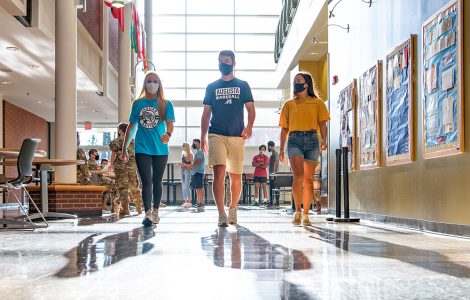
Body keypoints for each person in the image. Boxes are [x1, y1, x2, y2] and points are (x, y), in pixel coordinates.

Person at [201, 50, 256, 227]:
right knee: (218, 174)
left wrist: (249, 127)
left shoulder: (243, 85)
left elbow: (251, 109)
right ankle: (221, 213)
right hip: (216, 134)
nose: (222, 63)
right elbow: (206, 113)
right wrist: (203, 137)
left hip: (236, 135)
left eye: (226, 60)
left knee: (235, 176)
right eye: (219, 61)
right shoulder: (211, 87)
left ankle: (233, 208)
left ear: (233, 63)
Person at [122, 71, 175, 226]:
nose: (152, 84)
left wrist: (168, 133)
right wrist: (125, 147)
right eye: (149, 81)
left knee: (157, 181)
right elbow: (132, 127)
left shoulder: (165, 103)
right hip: (142, 148)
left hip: (160, 148)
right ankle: (147, 213)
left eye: (155, 81)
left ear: (159, 85)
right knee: (146, 180)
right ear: (144, 83)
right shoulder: (138, 104)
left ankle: (156, 211)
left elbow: (170, 123)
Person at [279, 72, 330, 226]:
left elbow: (322, 123)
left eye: (299, 80)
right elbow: (284, 128)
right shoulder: (288, 104)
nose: (296, 83)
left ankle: (306, 214)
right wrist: (281, 149)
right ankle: (297, 211)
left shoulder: (318, 102)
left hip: (312, 139)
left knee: (308, 180)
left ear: (306, 84)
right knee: (298, 176)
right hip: (294, 140)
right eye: (295, 81)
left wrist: (324, 140)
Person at [109, 122, 143, 216]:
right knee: (135, 188)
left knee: (123, 189)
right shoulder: (133, 141)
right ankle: (139, 208)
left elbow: (112, 145)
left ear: (120, 130)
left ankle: (126, 209)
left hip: (121, 169)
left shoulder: (118, 141)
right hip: (132, 168)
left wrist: (119, 154)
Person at [189, 139, 205, 212]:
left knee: (200, 188)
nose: (193, 144)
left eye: (194, 143)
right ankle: (199, 202)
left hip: (198, 172)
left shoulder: (200, 152)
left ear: (198, 143)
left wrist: (192, 166)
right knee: (197, 188)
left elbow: (198, 161)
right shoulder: (197, 152)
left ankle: (201, 202)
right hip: (196, 172)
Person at [179, 143, 193, 208]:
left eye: (184, 146)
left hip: (187, 171)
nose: (182, 147)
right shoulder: (182, 154)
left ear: (186, 147)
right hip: (182, 170)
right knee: (183, 186)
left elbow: (191, 165)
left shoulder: (190, 154)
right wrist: (181, 164)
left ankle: (189, 201)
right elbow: (183, 164)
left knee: (187, 186)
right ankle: (185, 201)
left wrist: (183, 164)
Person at [267, 141, 280, 208]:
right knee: (276, 189)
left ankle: (271, 203)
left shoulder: (273, 155)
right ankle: (277, 203)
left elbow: (274, 164)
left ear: (270, 146)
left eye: (268, 146)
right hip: (275, 174)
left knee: (272, 189)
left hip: (273, 175)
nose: (267, 148)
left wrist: (272, 174)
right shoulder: (276, 153)